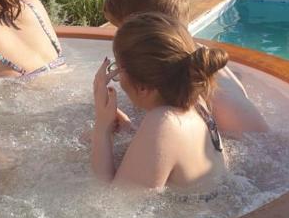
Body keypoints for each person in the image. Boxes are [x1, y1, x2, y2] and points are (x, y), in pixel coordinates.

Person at [102, 0, 268, 135]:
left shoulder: (188, 83)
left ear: (149, 33)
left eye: (123, 32)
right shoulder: (195, 57)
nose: (121, 43)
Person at [91, 12, 229, 191]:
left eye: (117, 70)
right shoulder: (197, 103)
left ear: (142, 87)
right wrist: (128, 128)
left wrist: (101, 128)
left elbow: (112, 204)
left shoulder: (163, 121)